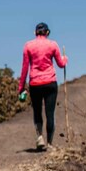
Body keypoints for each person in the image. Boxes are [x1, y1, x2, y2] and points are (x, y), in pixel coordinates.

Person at [18, 22, 68, 150]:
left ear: (35, 33)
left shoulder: (28, 46)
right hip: (50, 82)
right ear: (47, 32)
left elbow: (24, 69)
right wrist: (65, 59)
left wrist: (21, 87)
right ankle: (50, 144)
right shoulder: (53, 45)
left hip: (35, 83)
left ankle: (40, 137)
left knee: (37, 111)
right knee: (50, 113)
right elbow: (61, 64)